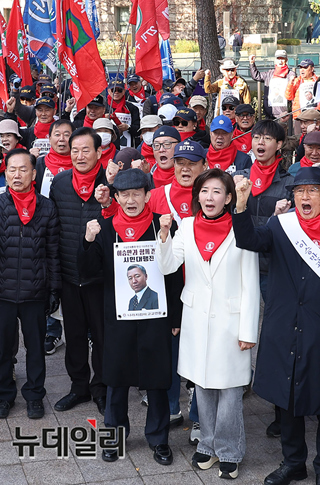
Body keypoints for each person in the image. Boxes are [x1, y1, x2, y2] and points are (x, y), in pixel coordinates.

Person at [233, 167, 320, 485]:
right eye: (299, 191)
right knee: (287, 402)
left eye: (313, 191)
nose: (305, 196)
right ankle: (293, 462)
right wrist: (240, 206)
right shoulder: (280, 226)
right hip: (284, 329)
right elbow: (248, 239)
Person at [158, 169, 259, 479]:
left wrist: (248, 330)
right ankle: (208, 445)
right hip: (196, 319)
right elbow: (167, 266)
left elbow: (251, 283)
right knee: (202, 386)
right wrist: (163, 236)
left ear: (229, 198)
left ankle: (229, 451)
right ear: (197, 196)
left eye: (217, 192)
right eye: (204, 191)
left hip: (231, 322)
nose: (209, 197)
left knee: (229, 392)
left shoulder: (240, 229)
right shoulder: (186, 227)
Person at [80, 168, 178, 466]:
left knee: (158, 379)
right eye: (125, 194)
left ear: (148, 195)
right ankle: (114, 436)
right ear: (117, 197)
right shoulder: (106, 229)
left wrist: (175, 316)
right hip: (117, 316)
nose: (131, 200)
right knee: (116, 379)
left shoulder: (161, 225)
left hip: (156, 316)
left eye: (137, 193)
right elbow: (87, 273)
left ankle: (159, 439)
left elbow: (174, 274)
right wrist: (87, 241)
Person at [0, 149, 60, 419]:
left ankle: (35, 395)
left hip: (35, 291)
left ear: (34, 174)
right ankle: (4, 395)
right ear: (5, 173)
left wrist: (54, 289)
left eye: (23, 169)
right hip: (1, 291)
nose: (17, 174)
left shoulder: (47, 207)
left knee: (35, 348)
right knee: (2, 349)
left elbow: (53, 252)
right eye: (12, 169)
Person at [49, 127, 109, 415]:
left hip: (100, 277)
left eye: (86, 150)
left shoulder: (110, 183)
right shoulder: (59, 184)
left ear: (99, 152)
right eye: (75, 150)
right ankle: (78, 387)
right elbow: (53, 230)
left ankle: (101, 387)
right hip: (70, 276)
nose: (80, 155)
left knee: (102, 336)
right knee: (73, 336)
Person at [249, 51, 296, 120]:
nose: (280, 61)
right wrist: (252, 63)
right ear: (275, 60)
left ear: (286, 60)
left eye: (282, 59)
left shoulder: (290, 75)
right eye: (278, 59)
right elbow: (257, 76)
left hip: (283, 114)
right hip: (269, 112)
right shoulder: (270, 73)